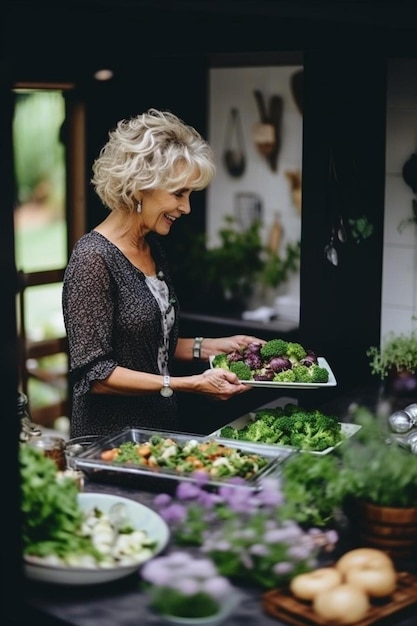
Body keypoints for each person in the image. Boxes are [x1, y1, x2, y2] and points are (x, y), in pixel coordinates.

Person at [62, 108, 265, 438]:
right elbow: (96, 375)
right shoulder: (93, 258)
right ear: (141, 186)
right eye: (179, 193)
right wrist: (188, 384)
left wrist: (213, 346)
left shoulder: (152, 248)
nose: (185, 208)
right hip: (111, 440)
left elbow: (150, 343)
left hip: (159, 429)